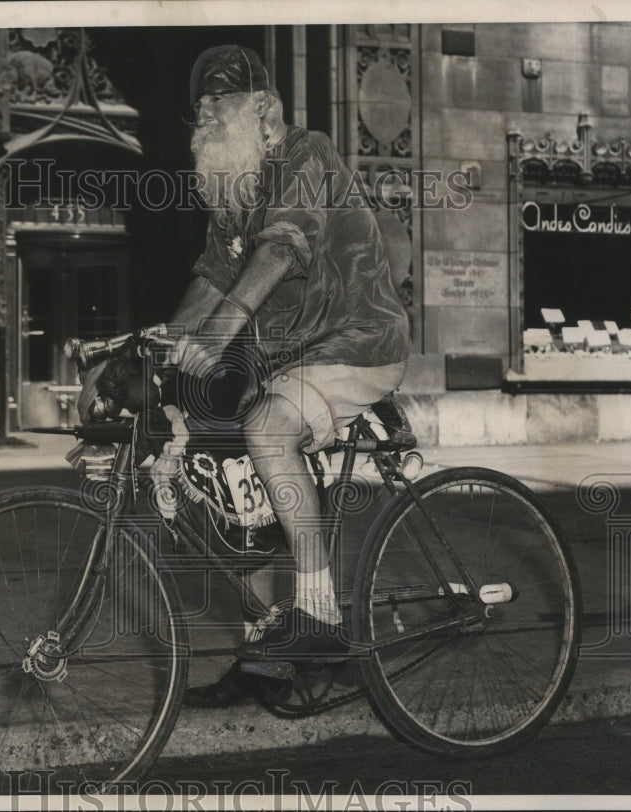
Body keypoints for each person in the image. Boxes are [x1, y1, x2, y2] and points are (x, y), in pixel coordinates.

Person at [170, 45, 410, 706]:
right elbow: (213, 275)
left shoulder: (309, 157)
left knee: (266, 429)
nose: (208, 120)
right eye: (202, 110)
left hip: (359, 340)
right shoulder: (234, 187)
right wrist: (163, 339)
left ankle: (321, 621)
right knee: (230, 486)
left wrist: (217, 336)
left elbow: (283, 244)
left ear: (266, 110)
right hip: (290, 361)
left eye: (222, 106)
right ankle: (264, 658)